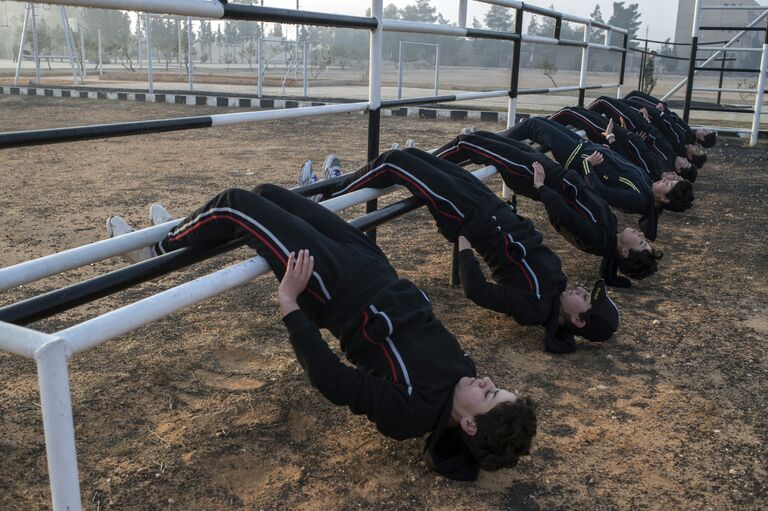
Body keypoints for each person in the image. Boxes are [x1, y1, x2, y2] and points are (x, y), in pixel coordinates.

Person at [105, 185, 537, 481]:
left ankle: (156, 250)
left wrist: (291, 305)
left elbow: (332, 380)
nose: (486, 381)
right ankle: (184, 230)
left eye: (489, 395)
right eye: (497, 386)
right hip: (372, 265)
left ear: (468, 425)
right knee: (269, 195)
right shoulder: (464, 373)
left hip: (331, 287)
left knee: (239, 203)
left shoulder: (411, 412)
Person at [310, 147, 620, 353]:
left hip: (466, 216)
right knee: (412, 154)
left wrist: (464, 245)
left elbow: (478, 290)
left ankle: (329, 196)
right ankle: (337, 186)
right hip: (487, 205)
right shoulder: (558, 287)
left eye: (585, 298)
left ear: (578, 320)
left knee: (396, 162)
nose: (581, 289)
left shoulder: (535, 308)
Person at [432, 129, 663, 285]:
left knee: (469, 143)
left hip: (538, 177)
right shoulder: (609, 230)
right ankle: (426, 161)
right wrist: (586, 167)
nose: (641, 234)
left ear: (624, 251)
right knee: (478, 137)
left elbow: (563, 216)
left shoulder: (597, 240)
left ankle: (423, 163)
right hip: (551, 173)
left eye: (641, 243)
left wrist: (541, 186)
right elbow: (588, 194)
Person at [501, 116, 695, 241]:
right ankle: (492, 141)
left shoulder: (639, 200)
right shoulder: (648, 185)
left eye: (669, 184)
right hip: (585, 147)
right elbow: (625, 163)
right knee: (538, 123)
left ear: (665, 199)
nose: (666, 179)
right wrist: (610, 138)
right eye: (671, 180)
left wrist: (588, 166)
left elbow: (602, 192)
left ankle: (489, 141)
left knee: (533, 125)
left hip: (578, 156)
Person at [548, 106, 697, 182]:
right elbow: (638, 150)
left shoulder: (650, 173)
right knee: (575, 111)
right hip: (621, 134)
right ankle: (546, 122)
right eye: (676, 177)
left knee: (571, 113)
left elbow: (625, 158)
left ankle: (540, 124)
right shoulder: (658, 167)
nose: (673, 174)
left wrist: (611, 136)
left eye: (674, 179)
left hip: (613, 136)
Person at [587, 95, 708, 170]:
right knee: (614, 103)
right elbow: (658, 137)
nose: (696, 147)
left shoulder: (670, 156)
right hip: (641, 123)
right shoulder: (673, 152)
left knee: (603, 102)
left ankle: (581, 115)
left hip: (637, 126)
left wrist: (657, 115)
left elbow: (648, 148)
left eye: (686, 163)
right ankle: (582, 115)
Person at [623, 90, 717, 148]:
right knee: (633, 96)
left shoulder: (686, 137)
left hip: (658, 114)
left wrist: (663, 112)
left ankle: (616, 103)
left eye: (705, 131)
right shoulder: (689, 134)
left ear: (702, 138)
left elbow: (671, 126)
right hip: (662, 113)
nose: (703, 129)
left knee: (634, 97)